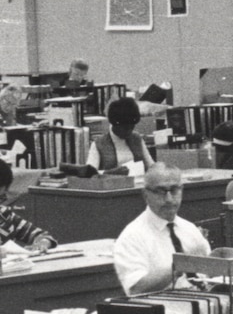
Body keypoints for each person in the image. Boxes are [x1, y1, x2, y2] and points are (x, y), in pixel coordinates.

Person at [112, 163, 210, 295]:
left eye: (174, 190)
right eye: (160, 191)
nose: (169, 199)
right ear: (145, 195)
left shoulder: (189, 229)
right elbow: (135, 289)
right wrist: (179, 266)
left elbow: (210, 274)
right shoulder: (132, 236)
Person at [87, 95, 151, 171]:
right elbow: (91, 176)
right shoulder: (98, 144)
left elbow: (151, 165)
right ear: (115, 124)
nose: (129, 131)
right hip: (111, 182)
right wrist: (111, 173)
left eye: (132, 127)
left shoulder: (136, 138)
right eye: (125, 128)